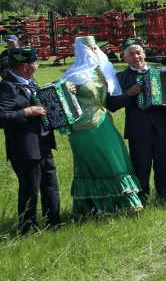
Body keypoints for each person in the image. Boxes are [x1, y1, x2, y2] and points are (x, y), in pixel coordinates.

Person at [60, 36, 144, 214]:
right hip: (83, 129)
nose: (94, 52)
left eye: (95, 48)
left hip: (104, 123)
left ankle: (123, 203)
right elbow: (57, 98)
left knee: (115, 161)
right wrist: (67, 91)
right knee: (90, 165)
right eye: (89, 49)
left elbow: (114, 98)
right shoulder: (72, 75)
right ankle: (92, 206)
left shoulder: (103, 71)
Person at [112, 38, 166, 204]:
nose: (136, 56)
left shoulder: (163, 72)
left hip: (162, 128)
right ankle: (142, 199)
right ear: (124, 58)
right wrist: (128, 95)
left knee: (162, 165)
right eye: (130, 54)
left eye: (138, 52)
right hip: (138, 130)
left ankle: (164, 197)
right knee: (141, 167)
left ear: (144, 54)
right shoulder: (121, 78)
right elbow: (112, 104)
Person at [0, 46, 60, 232]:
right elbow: (2, 117)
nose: (38, 64)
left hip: (43, 142)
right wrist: (27, 112)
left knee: (50, 184)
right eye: (35, 62)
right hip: (24, 147)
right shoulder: (7, 86)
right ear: (25, 66)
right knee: (30, 189)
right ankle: (28, 228)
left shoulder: (31, 82)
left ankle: (54, 222)